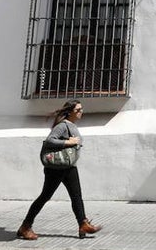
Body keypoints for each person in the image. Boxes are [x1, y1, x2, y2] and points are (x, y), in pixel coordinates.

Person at [17, 99, 102, 240]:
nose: (81, 112)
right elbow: (50, 140)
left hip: (69, 166)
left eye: (81, 109)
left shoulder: (72, 125)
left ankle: (83, 224)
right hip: (56, 168)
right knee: (45, 196)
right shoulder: (63, 126)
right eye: (78, 110)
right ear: (69, 112)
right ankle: (25, 227)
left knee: (76, 196)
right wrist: (68, 142)